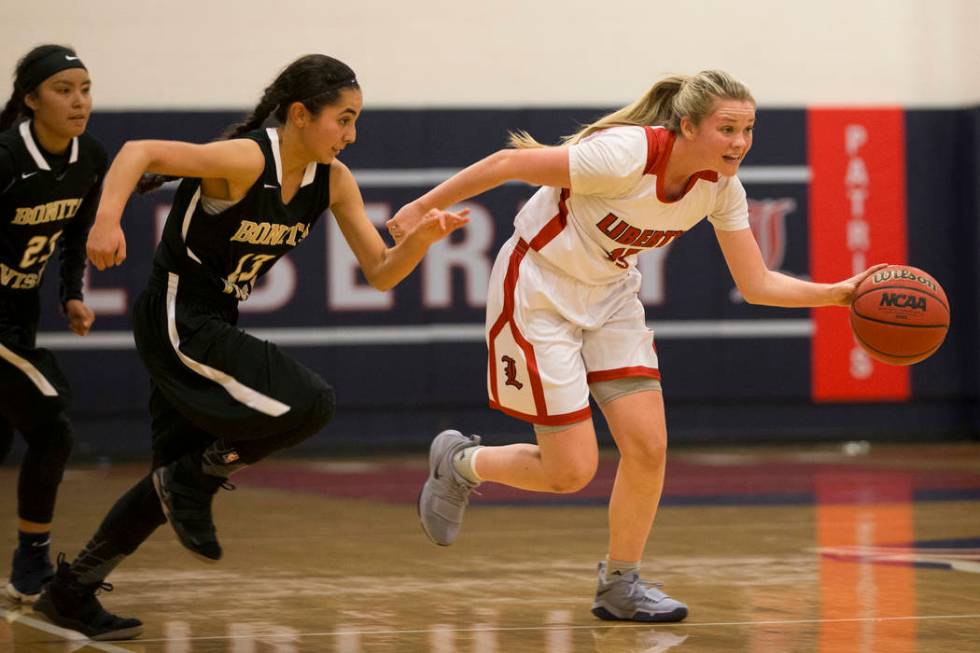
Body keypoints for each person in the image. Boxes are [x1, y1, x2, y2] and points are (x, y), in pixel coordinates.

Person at [390, 70, 886, 623]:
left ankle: (620, 583)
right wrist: (416, 210)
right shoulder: (623, 155)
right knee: (569, 472)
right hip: (538, 288)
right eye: (727, 129)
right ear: (687, 126)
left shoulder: (722, 189)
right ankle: (463, 463)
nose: (740, 142)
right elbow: (506, 164)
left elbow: (757, 283)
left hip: (612, 299)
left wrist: (840, 295)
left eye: (748, 129)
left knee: (648, 447)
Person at [32, 53, 467, 640]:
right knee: (310, 402)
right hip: (177, 316)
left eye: (357, 120)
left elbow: (383, 272)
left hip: (214, 318)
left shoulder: (332, 181)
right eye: (343, 118)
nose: (352, 134)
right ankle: (196, 477)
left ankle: (71, 589)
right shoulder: (245, 159)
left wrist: (424, 240)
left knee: (168, 480)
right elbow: (138, 151)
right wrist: (105, 221)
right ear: (299, 114)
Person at [0, 45, 104, 604]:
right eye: (64, 89)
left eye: (85, 88)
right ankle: (32, 562)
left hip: (20, 314)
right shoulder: (5, 158)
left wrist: (70, 296)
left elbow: (75, 235)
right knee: (51, 422)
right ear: (31, 99)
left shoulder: (90, 157)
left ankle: (27, 561)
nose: (79, 100)